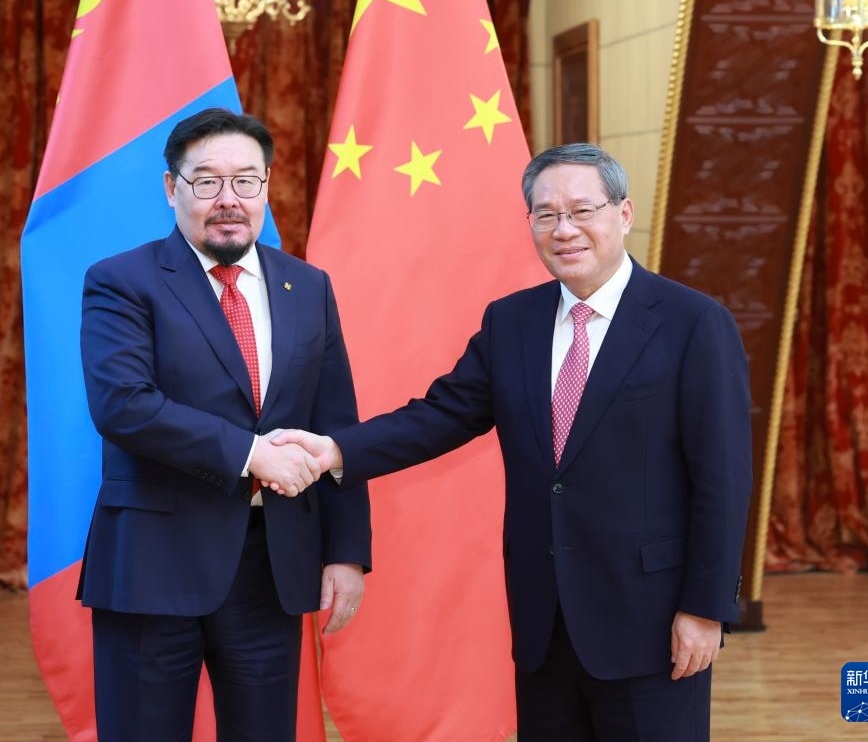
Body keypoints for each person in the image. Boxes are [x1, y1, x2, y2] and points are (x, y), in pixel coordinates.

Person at [276, 143, 752, 741]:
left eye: (582, 210)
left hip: (651, 621)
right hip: (544, 620)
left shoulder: (693, 323)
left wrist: (706, 608)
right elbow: (441, 415)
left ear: (624, 213)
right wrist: (338, 451)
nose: (564, 229)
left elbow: (722, 480)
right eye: (545, 214)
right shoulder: (512, 321)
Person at [76, 108, 371, 741]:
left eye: (245, 180)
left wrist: (346, 551)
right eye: (207, 181)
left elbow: (334, 424)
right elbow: (123, 404)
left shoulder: (308, 286)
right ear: (171, 188)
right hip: (152, 566)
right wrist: (251, 454)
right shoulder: (121, 281)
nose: (228, 199)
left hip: (272, 566)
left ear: (267, 185)